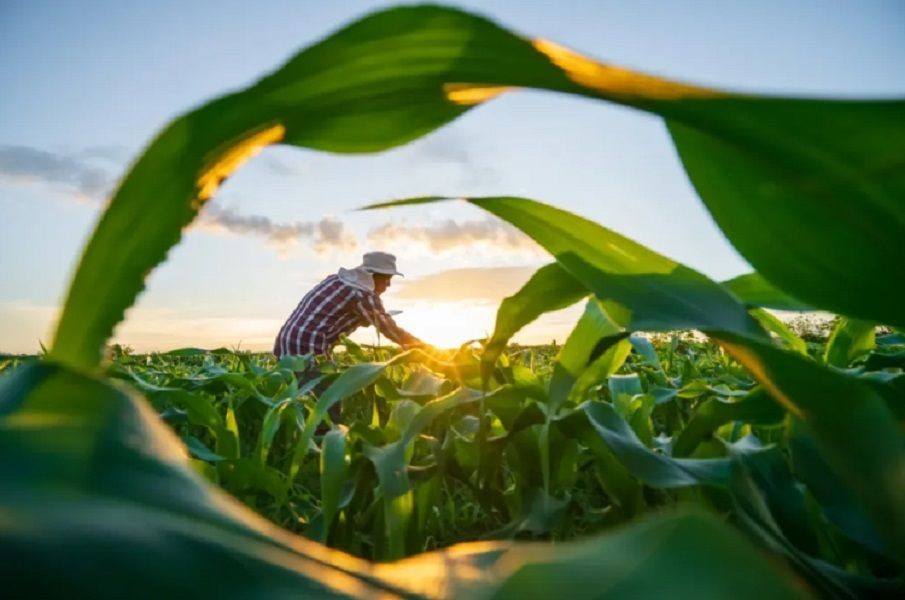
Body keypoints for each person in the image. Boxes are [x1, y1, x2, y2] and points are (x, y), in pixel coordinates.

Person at [273, 252, 426, 426]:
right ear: (372, 276)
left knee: (300, 400)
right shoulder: (363, 295)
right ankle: (323, 443)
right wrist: (422, 348)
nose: (389, 284)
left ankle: (296, 437)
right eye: (386, 278)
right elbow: (389, 329)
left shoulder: (337, 281)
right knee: (327, 399)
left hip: (287, 344)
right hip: (309, 347)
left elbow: (332, 315)